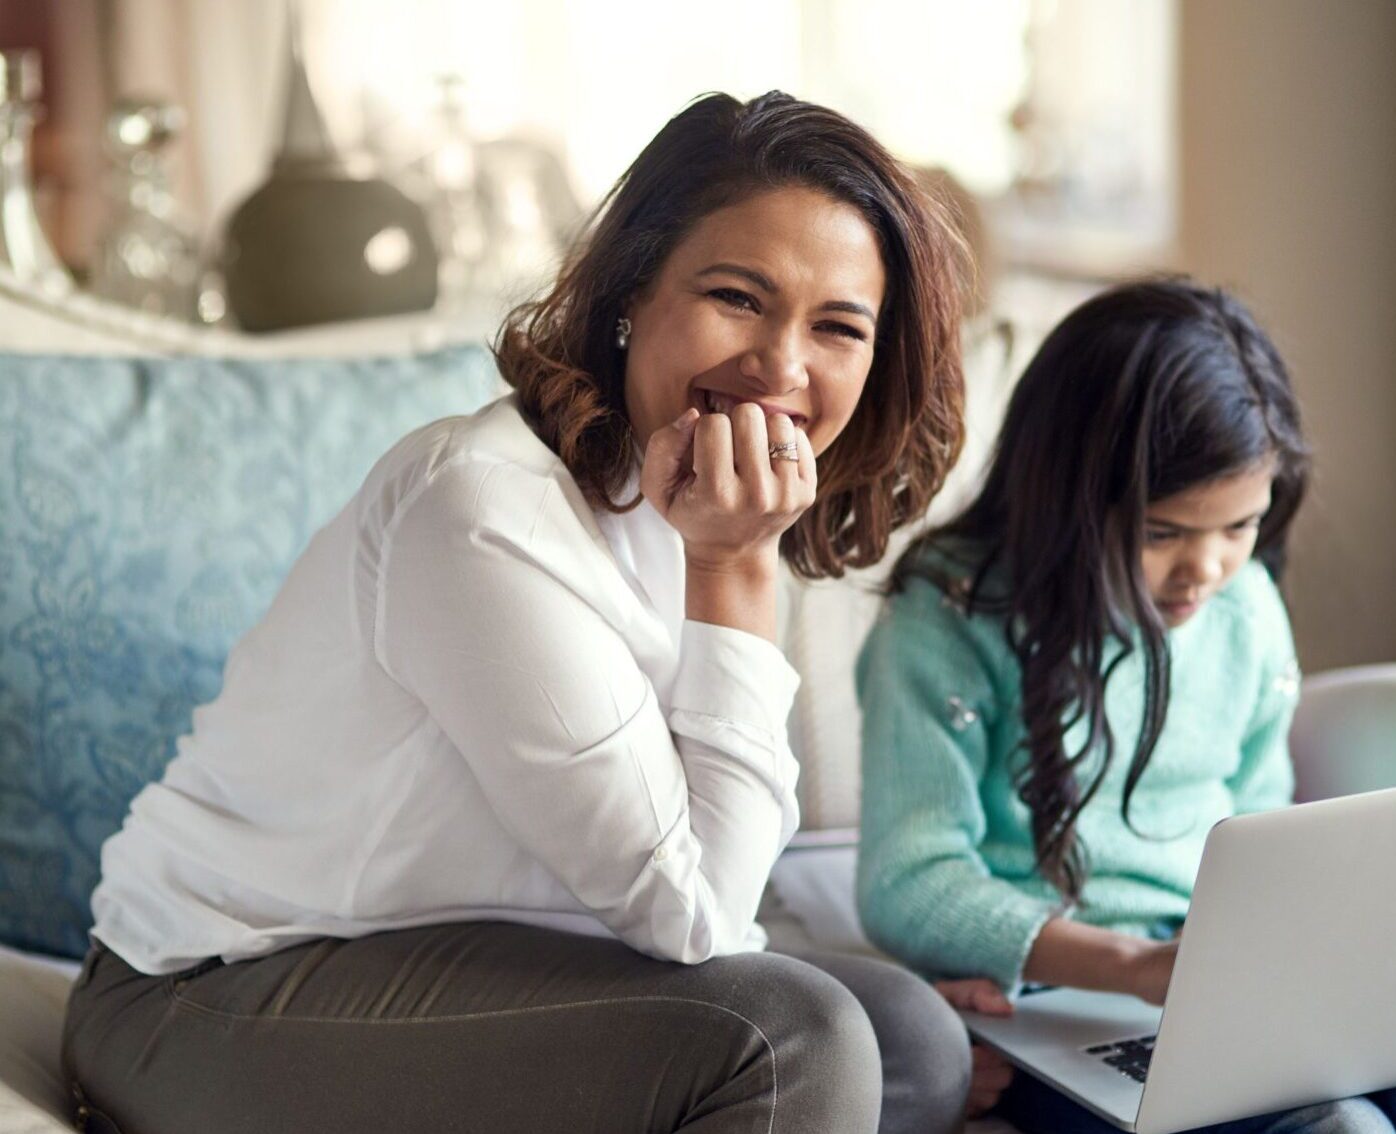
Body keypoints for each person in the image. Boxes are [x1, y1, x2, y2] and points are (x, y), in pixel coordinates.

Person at [63, 92, 972, 1134]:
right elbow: (696, 917)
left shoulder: (682, 494)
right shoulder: (481, 506)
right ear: (634, 290)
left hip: (486, 960)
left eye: (837, 328)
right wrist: (735, 568)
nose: (781, 367)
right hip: (213, 992)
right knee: (793, 1039)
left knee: (909, 1038)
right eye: (737, 297)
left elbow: (696, 882)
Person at [855, 279, 1396, 1133]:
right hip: (1055, 1004)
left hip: (1216, 985)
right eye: (1162, 533)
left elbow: (1254, 820)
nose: (1203, 571)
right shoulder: (947, 617)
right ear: (1061, 497)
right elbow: (908, 881)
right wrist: (1135, 966)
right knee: (1339, 1128)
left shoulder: (1242, 609)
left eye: (1239, 527)